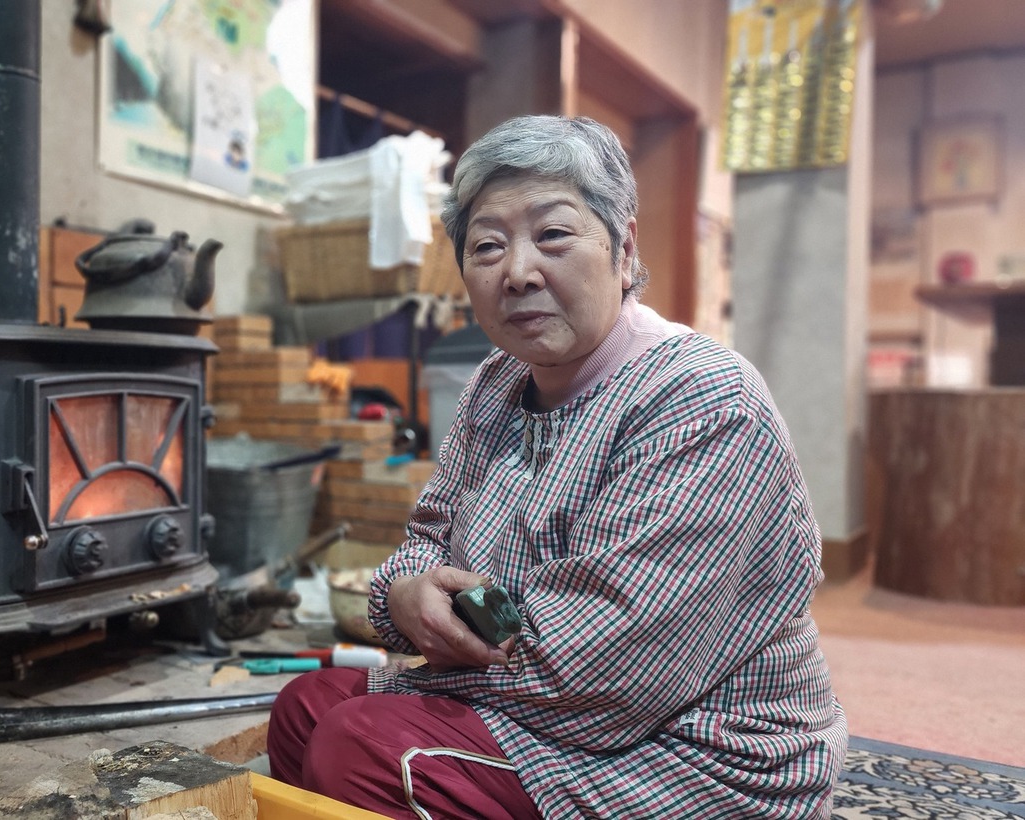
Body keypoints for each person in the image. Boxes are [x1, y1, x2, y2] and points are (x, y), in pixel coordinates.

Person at [267, 115, 848, 818]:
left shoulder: (704, 400)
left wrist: (430, 658)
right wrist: (402, 597)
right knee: (305, 707)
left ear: (623, 248)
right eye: (486, 246)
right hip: (536, 691)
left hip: (690, 746)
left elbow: (606, 667)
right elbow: (429, 535)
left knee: (362, 744)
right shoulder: (496, 380)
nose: (516, 272)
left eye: (553, 235)